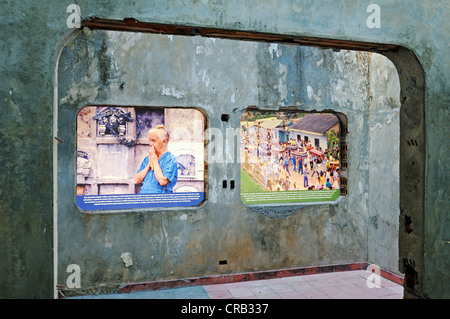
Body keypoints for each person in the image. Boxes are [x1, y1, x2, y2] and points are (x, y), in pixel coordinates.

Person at [135, 125, 178, 194]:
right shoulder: (147, 159)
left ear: (163, 141)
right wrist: (149, 164)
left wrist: (154, 161)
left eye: (154, 141)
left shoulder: (170, 159)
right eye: (150, 141)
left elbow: (162, 181)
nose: (150, 144)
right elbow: (136, 180)